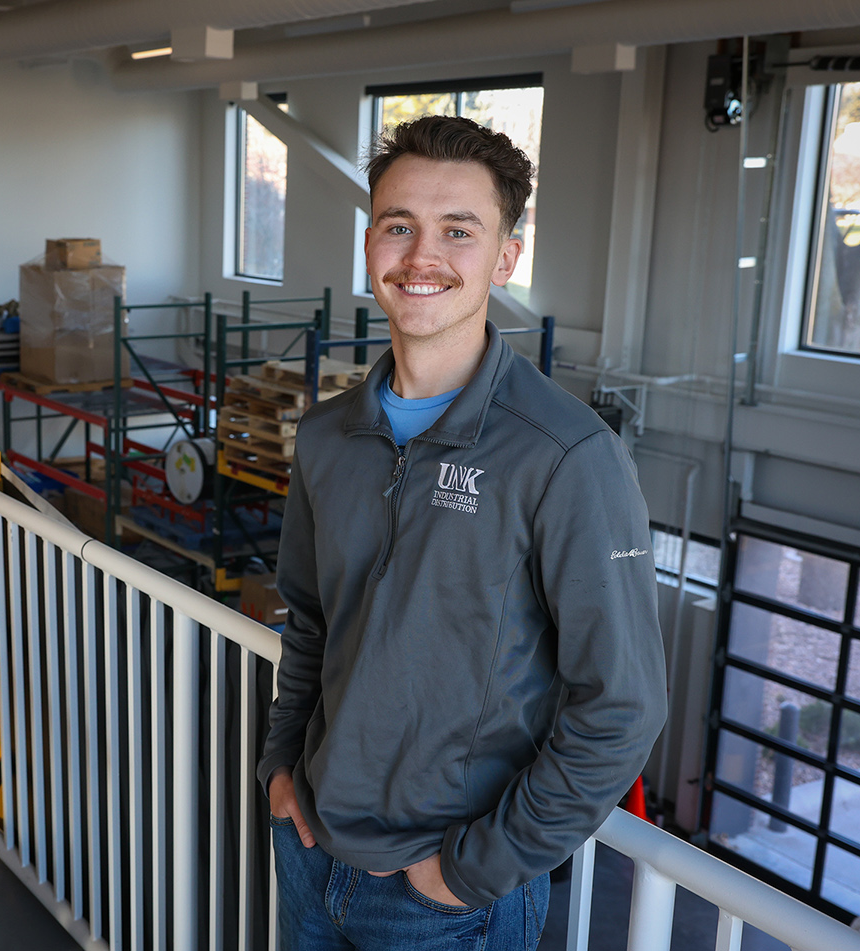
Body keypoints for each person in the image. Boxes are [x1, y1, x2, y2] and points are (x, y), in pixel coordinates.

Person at [259, 114, 668, 950]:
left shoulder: (567, 454)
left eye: (459, 230)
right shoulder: (327, 434)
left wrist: (472, 868)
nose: (422, 257)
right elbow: (309, 618)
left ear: (505, 257)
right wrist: (279, 769)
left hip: (445, 898)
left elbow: (622, 703)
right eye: (399, 226)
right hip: (308, 850)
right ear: (370, 240)